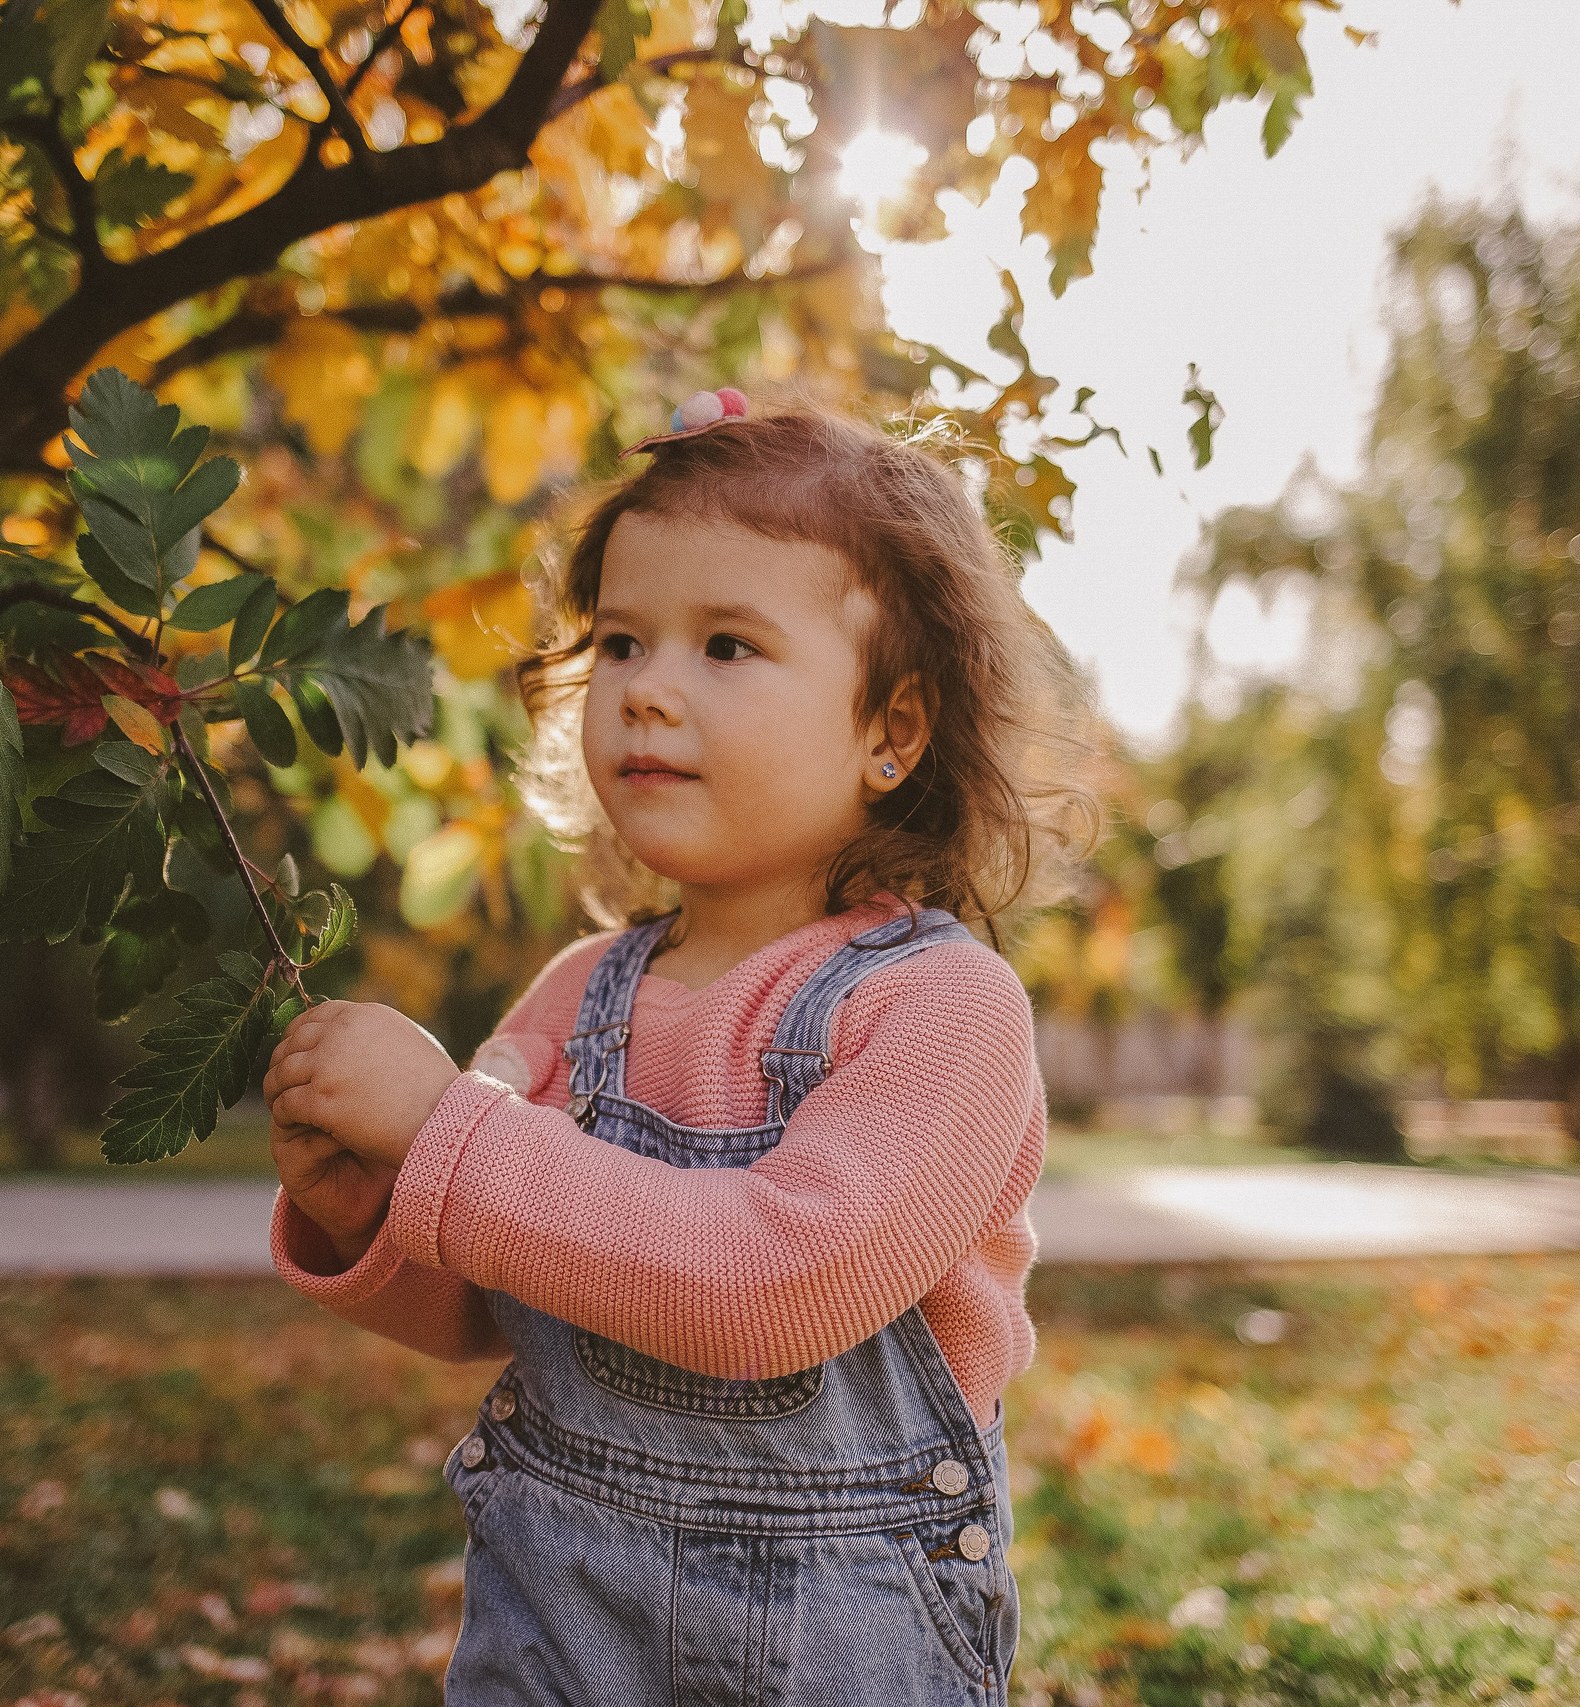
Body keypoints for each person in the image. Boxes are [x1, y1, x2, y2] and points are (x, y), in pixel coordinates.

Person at [258, 391, 1104, 1705]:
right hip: (559, 1620)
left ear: (894, 729)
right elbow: (487, 1299)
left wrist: (443, 1134)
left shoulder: (944, 1011)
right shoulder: (575, 995)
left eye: (725, 645)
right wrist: (363, 1202)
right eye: (620, 643)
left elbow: (775, 1288)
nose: (647, 689)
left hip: (839, 1636)